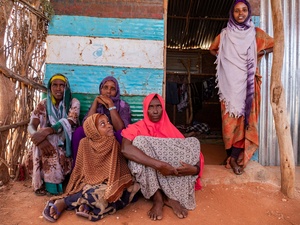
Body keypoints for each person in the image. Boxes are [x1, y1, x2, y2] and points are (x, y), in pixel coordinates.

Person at [209, 0, 274, 175]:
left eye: (244, 10)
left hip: (248, 87)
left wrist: (258, 54)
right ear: (232, 13)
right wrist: (227, 62)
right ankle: (231, 155)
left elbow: (274, 44)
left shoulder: (256, 34)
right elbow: (212, 49)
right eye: (237, 11)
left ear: (249, 12)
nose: (240, 14)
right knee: (229, 124)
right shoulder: (224, 35)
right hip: (229, 87)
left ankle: (233, 158)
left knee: (244, 122)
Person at [121, 93, 204, 221]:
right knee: (138, 146)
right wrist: (159, 165)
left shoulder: (170, 128)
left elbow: (193, 152)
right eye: (151, 107)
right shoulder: (137, 128)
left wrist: (195, 169)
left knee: (193, 142)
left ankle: (169, 197)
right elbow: (125, 149)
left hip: (169, 173)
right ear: (145, 109)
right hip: (153, 170)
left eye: (159, 106)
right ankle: (158, 198)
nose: (155, 111)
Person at [42, 113, 139, 222]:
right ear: (93, 130)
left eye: (108, 122)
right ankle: (72, 202)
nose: (109, 126)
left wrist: (105, 185)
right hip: (88, 182)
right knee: (89, 191)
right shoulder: (84, 144)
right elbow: (79, 171)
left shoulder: (113, 143)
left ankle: (71, 202)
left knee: (113, 195)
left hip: (108, 182)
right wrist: (88, 183)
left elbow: (117, 172)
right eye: (103, 124)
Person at [27, 74, 80, 195]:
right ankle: (40, 183)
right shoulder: (44, 104)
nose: (58, 88)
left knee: (51, 138)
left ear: (66, 88)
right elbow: (31, 125)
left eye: (61, 85)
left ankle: (53, 186)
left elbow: (70, 121)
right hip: (46, 140)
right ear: (50, 88)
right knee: (42, 141)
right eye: (54, 85)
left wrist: (47, 131)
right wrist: (39, 139)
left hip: (66, 141)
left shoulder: (73, 102)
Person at [71, 76, 131, 166]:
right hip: (96, 136)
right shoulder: (96, 104)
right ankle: (77, 169)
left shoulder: (123, 105)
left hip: (112, 136)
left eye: (112, 89)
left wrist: (111, 105)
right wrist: (95, 102)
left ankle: (118, 170)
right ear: (101, 89)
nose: (108, 91)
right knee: (79, 132)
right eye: (105, 87)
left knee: (122, 134)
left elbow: (120, 128)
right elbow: (87, 125)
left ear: (117, 91)